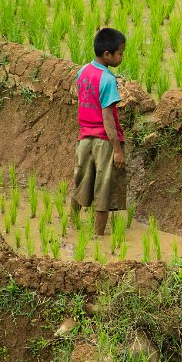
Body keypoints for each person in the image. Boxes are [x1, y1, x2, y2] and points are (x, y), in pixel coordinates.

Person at [71, 27, 127, 238]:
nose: (121, 57)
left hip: (83, 138)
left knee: (81, 181)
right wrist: (118, 150)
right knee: (103, 186)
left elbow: (83, 100)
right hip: (103, 141)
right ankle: (98, 236)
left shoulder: (82, 71)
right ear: (107, 55)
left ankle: (72, 225)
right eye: (120, 53)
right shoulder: (108, 79)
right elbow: (108, 119)